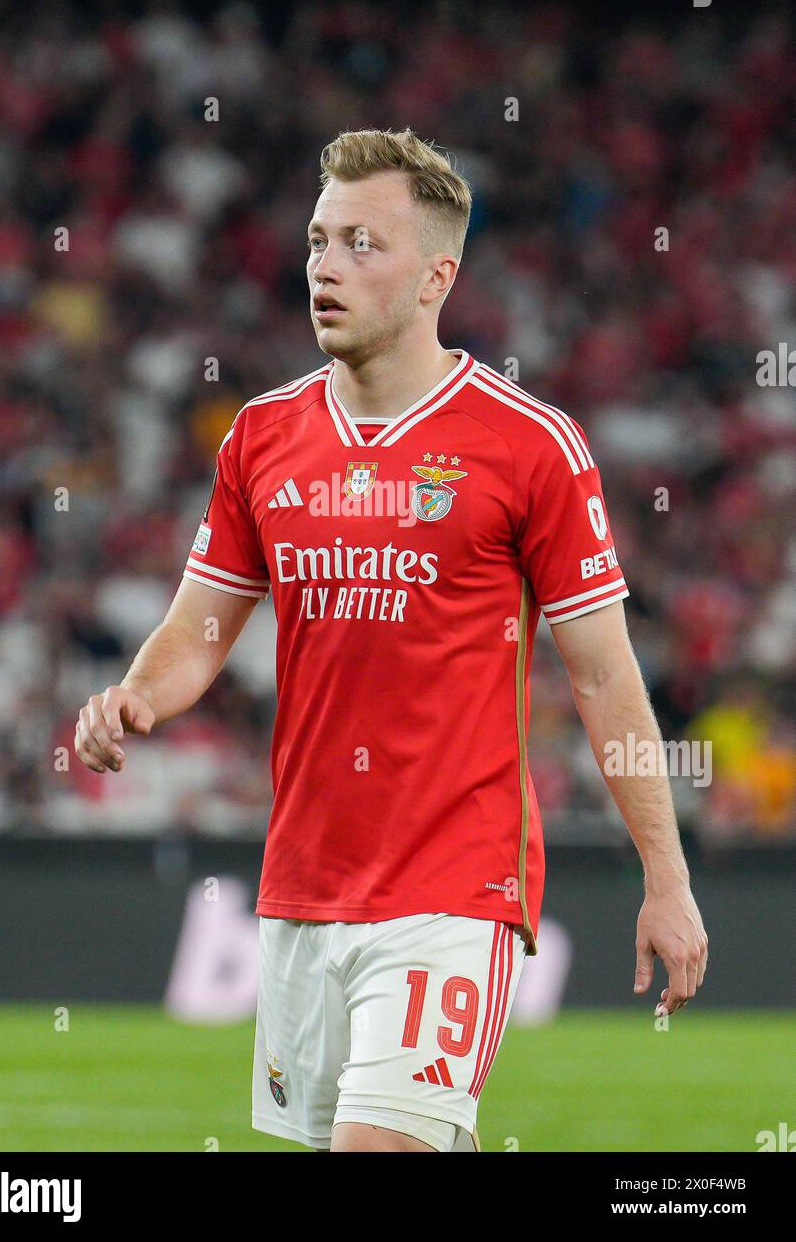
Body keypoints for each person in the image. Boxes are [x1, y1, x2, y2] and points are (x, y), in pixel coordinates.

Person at [75, 127, 708, 1153]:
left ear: (434, 277)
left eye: (361, 243)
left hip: (454, 886)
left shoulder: (527, 443)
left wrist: (666, 879)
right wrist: (139, 694)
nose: (325, 265)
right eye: (319, 239)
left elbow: (601, 674)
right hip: (302, 884)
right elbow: (199, 627)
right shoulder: (262, 435)